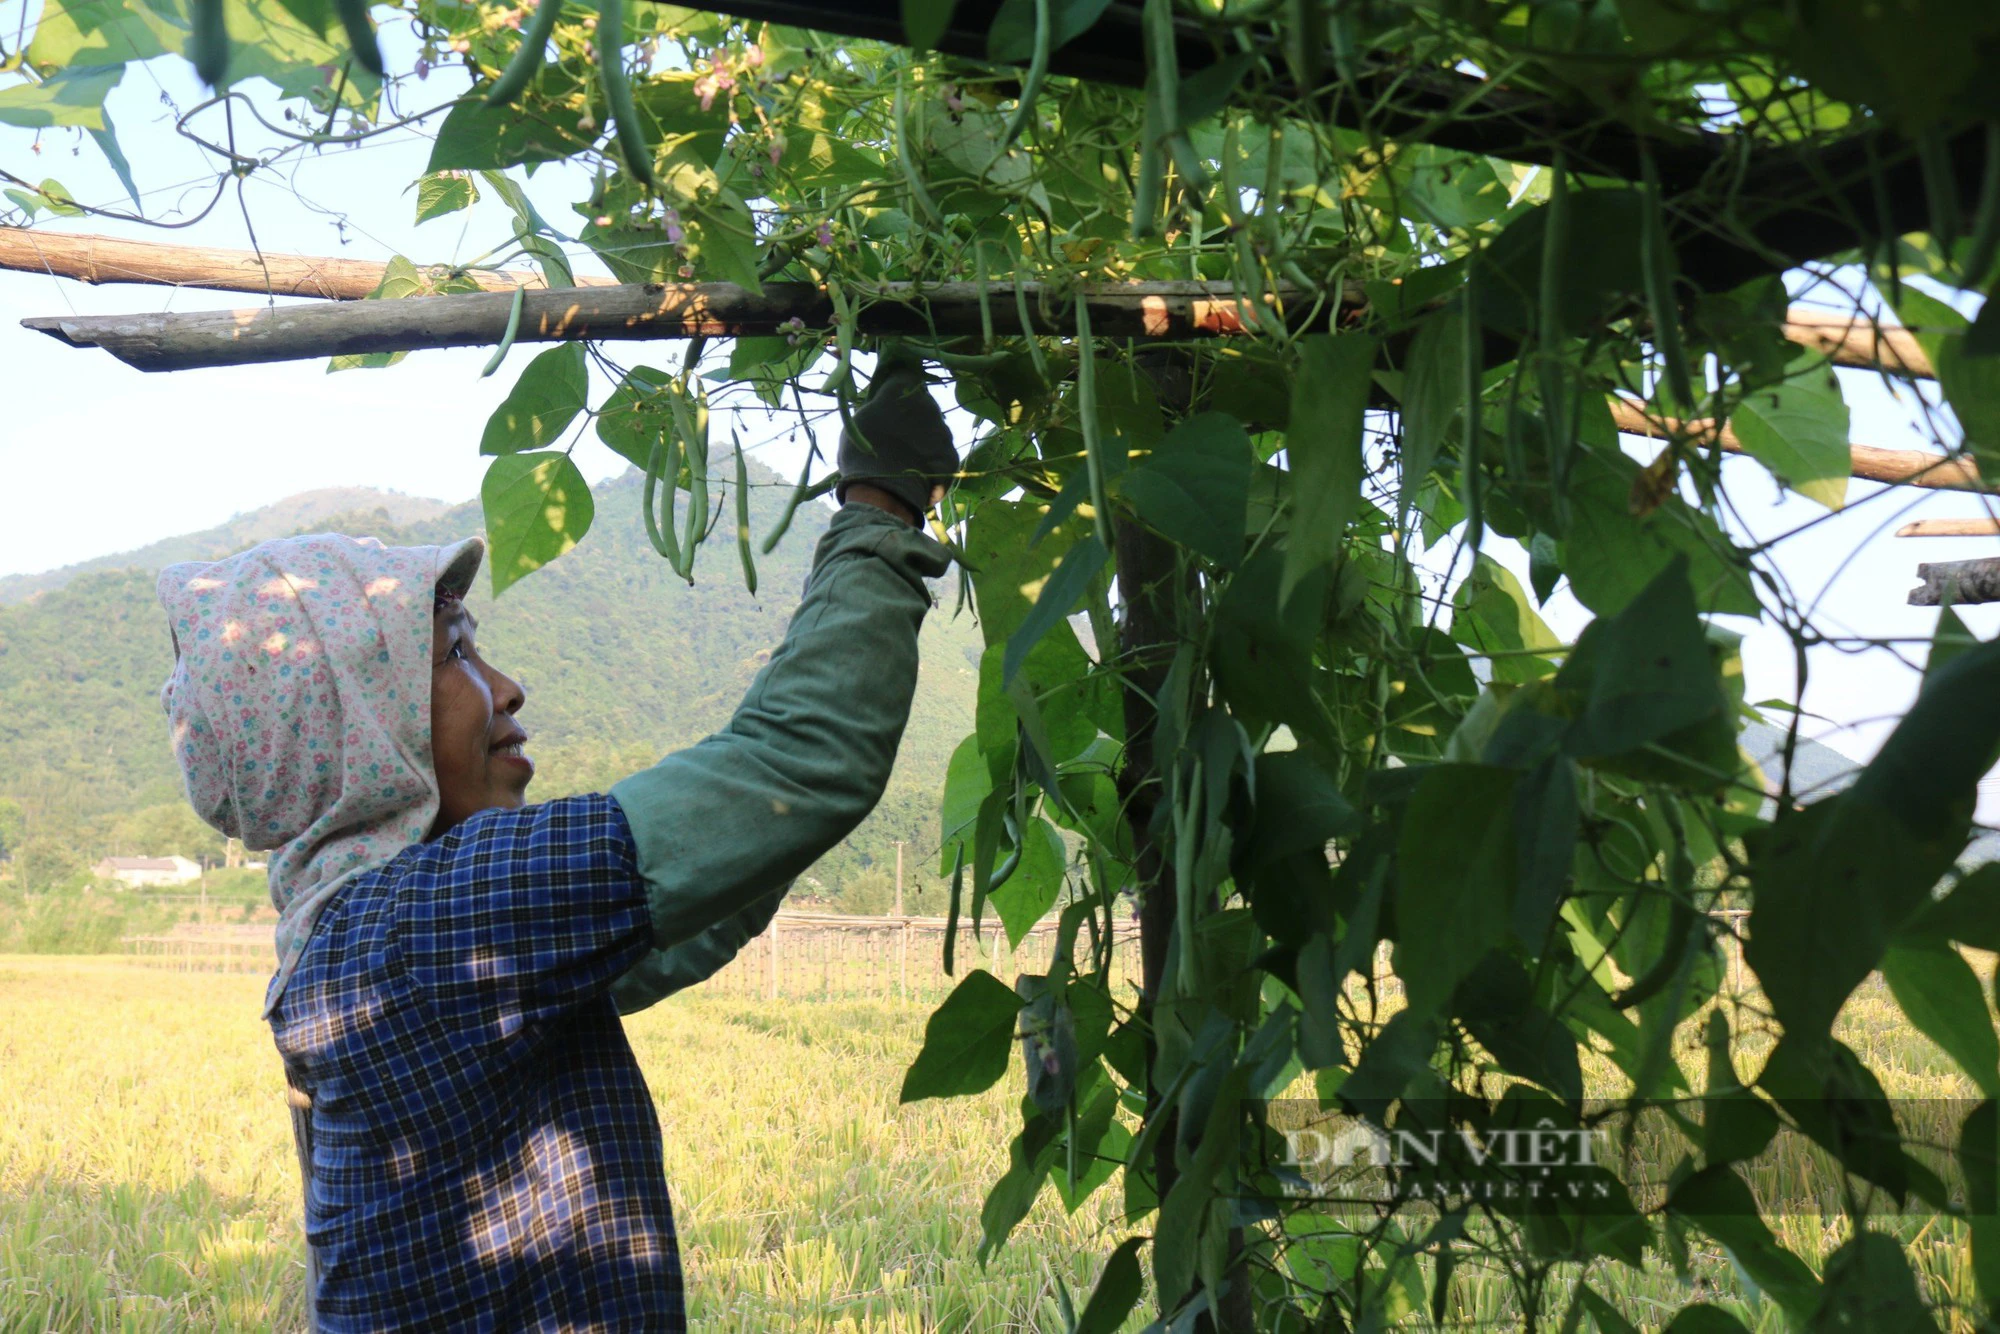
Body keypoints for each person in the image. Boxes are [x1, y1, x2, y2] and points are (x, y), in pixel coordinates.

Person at [154, 357, 958, 1331]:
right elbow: (795, 765)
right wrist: (879, 511)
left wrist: (746, 835)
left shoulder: (346, 932)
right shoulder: (430, 923)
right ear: (362, 725)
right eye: (453, 650)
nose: (506, 684)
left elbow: (696, 902)